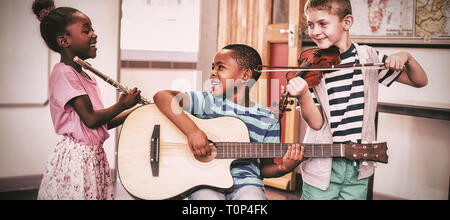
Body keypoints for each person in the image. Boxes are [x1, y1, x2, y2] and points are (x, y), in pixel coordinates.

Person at [284, 0, 428, 200]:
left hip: (358, 165)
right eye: (310, 24)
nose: (315, 31)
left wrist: (407, 57)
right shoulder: (311, 68)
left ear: (347, 22)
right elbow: (316, 124)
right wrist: (304, 95)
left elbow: (420, 81)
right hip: (322, 165)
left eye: (322, 24)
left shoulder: (368, 57)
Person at [153, 44, 305, 200]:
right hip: (205, 180)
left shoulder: (268, 118)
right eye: (213, 67)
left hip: (247, 183)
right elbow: (162, 96)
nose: (212, 72)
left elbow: (264, 168)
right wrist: (192, 131)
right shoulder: (207, 101)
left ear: (245, 76)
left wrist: (283, 167)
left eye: (221, 67)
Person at [32, 0, 141, 200]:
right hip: (77, 160)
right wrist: (121, 104)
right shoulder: (64, 73)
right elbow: (91, 119)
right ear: (64, 41)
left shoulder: (83, 74)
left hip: (92, 157)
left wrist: (134, 112)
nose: (94, 34)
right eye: (86, 30)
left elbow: (99, 125)